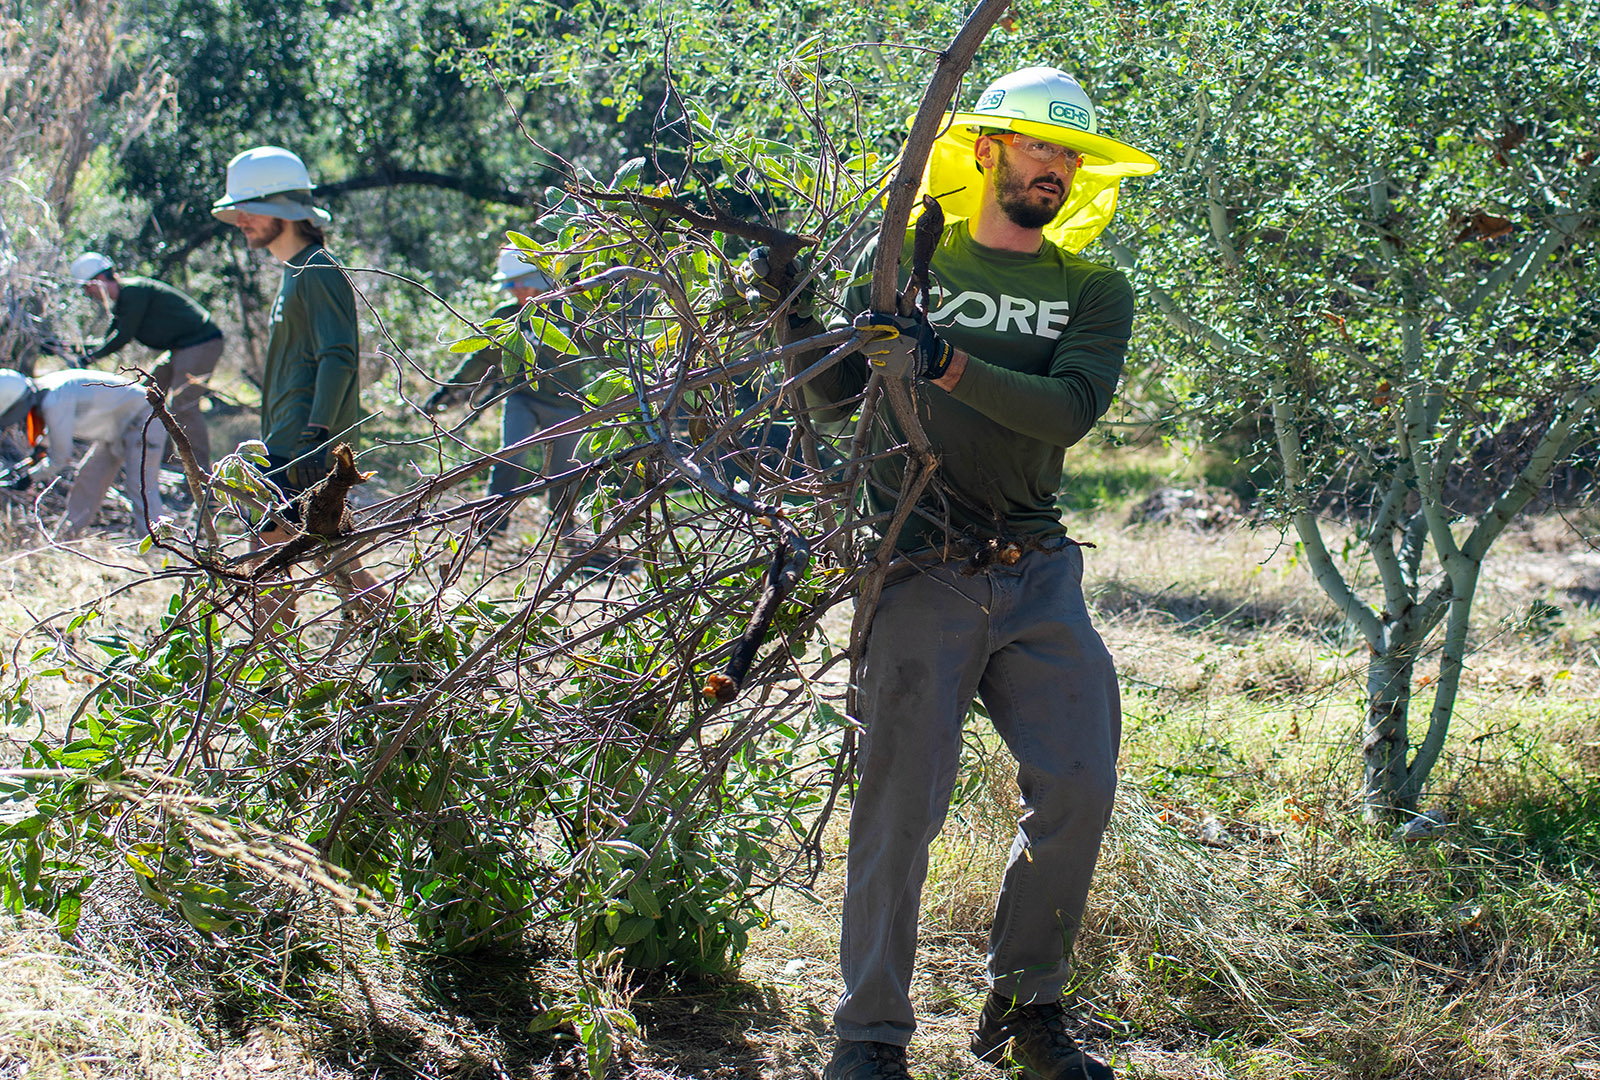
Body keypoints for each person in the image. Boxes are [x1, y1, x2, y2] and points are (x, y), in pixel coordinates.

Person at [757, 68, 1160, 1080]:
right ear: (987, 151)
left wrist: (941, 363)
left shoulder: (1091, 289)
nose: (1057, 171)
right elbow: (834, 401)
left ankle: (1025, 1015)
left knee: (1077, 782)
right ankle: (869, 1037)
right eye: (1040, 150)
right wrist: (790, 299)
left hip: (1036, 573)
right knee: (899, 805)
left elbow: (1068, 410)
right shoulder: (905, 266)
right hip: (921, 566)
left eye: (1071, 156)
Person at [211, 145, 382, 613]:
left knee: (277, 560)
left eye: (250, 210)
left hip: (304, 446)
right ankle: (408, 650)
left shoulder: (318, 270)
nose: (241, 220)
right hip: (289, 441)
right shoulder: (295, 271)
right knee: (320, 559)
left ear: (284, 211)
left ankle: (269, 676)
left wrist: (319, 436)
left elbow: (340, 357)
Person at [425, 246, 584, 543]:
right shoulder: (507, 316)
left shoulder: (569, 311)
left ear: (542, 279)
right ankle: (490, 531)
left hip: (566, 404)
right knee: (510, 459)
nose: (516, 292)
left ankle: (566, 533)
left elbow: (604, 346)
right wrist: (448, 392)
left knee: (565, 472)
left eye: (521, 283)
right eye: (510, 285)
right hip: (523, 399)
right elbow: (481, 360)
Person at [66, 253, 225, 472]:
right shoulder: (122, 301)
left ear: (100, 279)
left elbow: (123, 336)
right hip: (179, 348)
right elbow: (108, 340)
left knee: (183, 403)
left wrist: (90, 357)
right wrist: (72, 348)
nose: (87, 293)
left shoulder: (133, 292)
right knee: (147, 396)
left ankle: (201, 473)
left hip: (201, 342)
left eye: (87, 286)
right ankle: (166, 461)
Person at [0, 367, 167, 537]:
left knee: (142, 487)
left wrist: (30, 477)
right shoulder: (46, 389)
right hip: (119, 425)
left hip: (145, 416)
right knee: (89, 479)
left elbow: (60, 458)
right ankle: (66, 538)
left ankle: (161, 544)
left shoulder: (54, 400)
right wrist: (41, 449)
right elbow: (57, 427)